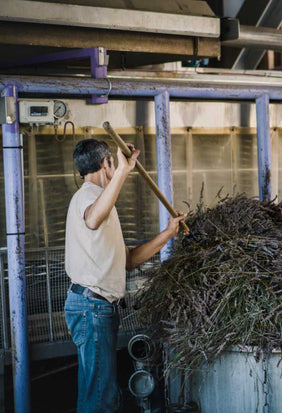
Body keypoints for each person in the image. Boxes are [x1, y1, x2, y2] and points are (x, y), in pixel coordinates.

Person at [64, 138, 187, 413]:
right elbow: (93, 218)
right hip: (92, 308)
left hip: (96, 308)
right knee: (100, 398)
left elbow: (128, 260)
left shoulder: (100, 202)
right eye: (112, 165)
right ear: (106, 164)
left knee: (100, 392)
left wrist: (168, 233)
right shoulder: (88, 196)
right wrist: (124, 170)